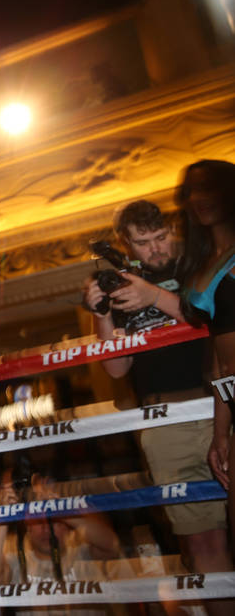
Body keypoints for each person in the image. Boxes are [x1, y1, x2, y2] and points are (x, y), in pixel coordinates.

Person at [82, 199, 232, 609]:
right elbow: (115, 369)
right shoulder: (123, 282)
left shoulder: (201, 264)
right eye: (144, 242)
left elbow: (217, 321)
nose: (156, 249)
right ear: (126, 243)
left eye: (161, 237)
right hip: (165, 420)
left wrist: (154, 296)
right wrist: (101, 314)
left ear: (175, 230)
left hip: (220, 403)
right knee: (202, 542)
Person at [178, 160, 235, 548]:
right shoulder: (203, 260)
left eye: (210, 187)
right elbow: (221, 364)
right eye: (194, 190)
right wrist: (220, 433)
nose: (201, 198)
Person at [0, 462, 120, 616]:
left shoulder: (81, 544)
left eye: (53, 521)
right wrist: (3, 517)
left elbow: (112, 545)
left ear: (67, 527)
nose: (46, 529)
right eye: (37, 520)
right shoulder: (13, 550)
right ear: (27, 524)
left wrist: (61, 508)